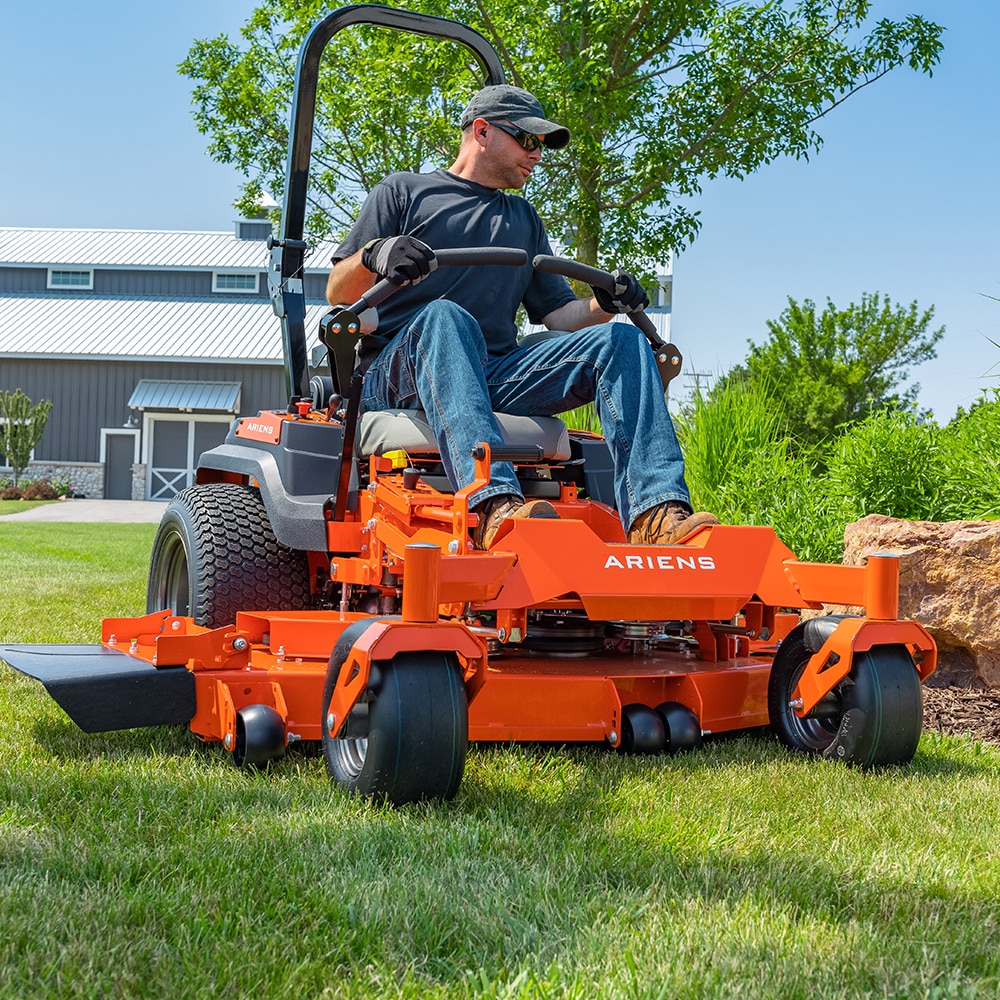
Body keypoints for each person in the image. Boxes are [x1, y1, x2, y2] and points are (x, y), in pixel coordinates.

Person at [326, 83, 717, 548]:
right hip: (398, 373)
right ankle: (496, 506)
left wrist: (605, 305)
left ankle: (657, 516)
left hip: (492, 373)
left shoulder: (524, 219)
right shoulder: (404, 192)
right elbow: (337, 291)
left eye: (541, 144)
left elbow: (557, 315)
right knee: (447, 317)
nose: (536, 154)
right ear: (483, 131)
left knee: (624, 341)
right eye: (528, 140)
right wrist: (376, 252)